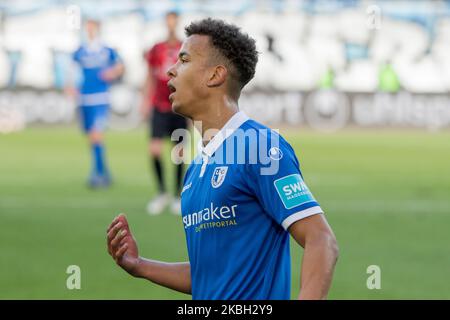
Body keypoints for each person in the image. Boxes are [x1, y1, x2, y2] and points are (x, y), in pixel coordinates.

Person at [107, 18, 338, 300]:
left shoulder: (259, 146)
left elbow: (321, 239)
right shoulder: (196, 169)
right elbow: (210, 274)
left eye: (184, 60)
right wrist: (140, 266)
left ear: (215, 75)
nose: (170, 70)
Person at [69, 19, 124, 188]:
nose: (90, 31)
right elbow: (70, 69)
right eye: (88, 28)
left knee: (96, 134)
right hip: (84, 98)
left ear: (98, 29)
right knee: (91, 138)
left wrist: (112, 72)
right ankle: (104, 173)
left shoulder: (106, 50)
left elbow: (120, 66)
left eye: (92, 28)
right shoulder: (81, 51)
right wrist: (70, 87)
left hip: (100, 98)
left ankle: (98, 174)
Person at [141, 11, 187, 215]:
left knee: (179, 153)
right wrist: (145, 100)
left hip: (179, 107)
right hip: (159, 106)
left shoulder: (185, 48)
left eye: (173, 21)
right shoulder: (156, 49)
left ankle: (177, 195)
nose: (170, 24)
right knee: (155, 150)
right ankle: (161, 193)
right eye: (168, 21)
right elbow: (149, 76)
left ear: (177, 23)